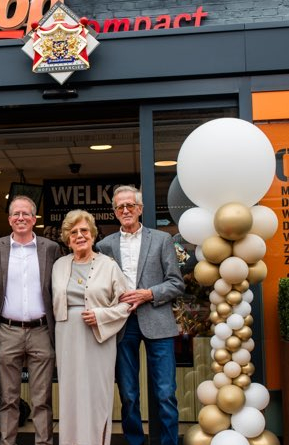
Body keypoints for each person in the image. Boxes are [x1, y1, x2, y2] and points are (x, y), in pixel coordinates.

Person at [96, 185, 185, 445]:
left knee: (166, 392)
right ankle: (135, 441)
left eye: (130, 205)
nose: (126, 210)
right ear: (114, 212)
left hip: (158, 320)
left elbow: (176, 283)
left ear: (140, 209)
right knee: (128, 393)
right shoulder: (104, 246)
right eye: (120, 206)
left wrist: (148, 294)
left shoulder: (161, 240)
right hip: (123, 324)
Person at [51, 209, 131, 445]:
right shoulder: (58, 265)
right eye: (73, 232)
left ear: (93, 235)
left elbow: (126, 304)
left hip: (98, 338)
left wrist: (101, 315)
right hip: (66, 336)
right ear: (67, 238)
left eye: (84, 230)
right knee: (70, 395)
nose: (79, 235)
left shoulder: (109, 265)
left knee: (96, 395)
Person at [0, 195, 61, 445]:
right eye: (15, 214)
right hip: (8, 330)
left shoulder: (50, 248)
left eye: (25, 214)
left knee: (42, 398)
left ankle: (44, 442)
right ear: (9, 220)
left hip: (41, 331)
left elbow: (56, 287)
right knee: (8, 398)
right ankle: (7, 442)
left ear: (34, 219)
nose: (21, 218)